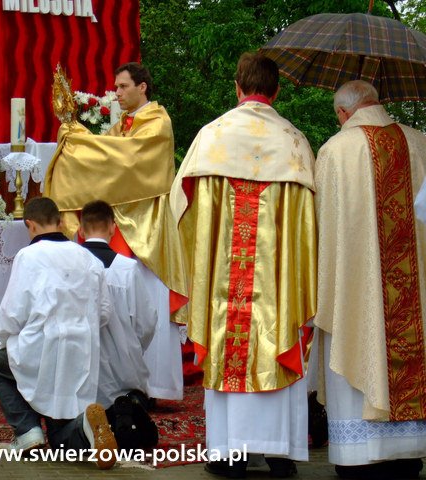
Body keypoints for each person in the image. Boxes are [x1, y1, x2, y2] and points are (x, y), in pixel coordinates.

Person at [169, 52, 317, 478]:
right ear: (276, 90)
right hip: (276, 286)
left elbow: (181, 211)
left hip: (221, 282)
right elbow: (309, 229)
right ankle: (279, 453)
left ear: (237, 87)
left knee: (226, 341)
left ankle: (229, 453)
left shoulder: (211, 137)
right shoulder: (294, 143)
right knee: (276, 336)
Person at [45, 62, 188, 402]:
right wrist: (78, 138)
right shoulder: (123, 124)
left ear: (143, 87)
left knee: (146, 305)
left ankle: (157, 386)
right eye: (116, 87)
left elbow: (122, 163)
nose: (117, 93)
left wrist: (78, 139)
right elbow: (103, 161)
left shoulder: (157, 123)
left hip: (147, 228)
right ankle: (123, 382)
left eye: (123, 87)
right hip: (125, 222)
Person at [313, 80, 426, 480]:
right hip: (414, 299)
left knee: (358, 343)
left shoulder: (335, 151)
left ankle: (359, 458)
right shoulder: (419, 144)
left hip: (355, 294)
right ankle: (407, 454)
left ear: (344, 113)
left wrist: (321, 289)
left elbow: (322, 232)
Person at [0, 197, 118, 469]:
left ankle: (28, 432)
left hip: (41, 346)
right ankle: (84, 428)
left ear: (29, 225)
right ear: (60, 222)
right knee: (61, 441)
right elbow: (104, 312)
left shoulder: (28, 256)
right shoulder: (87, 257)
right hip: (82, 349)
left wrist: (5, 337)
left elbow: (13, 311)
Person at [79, 200, 159, 449]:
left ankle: (91, 427)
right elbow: (146, 322)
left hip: (81, 364)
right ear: (114, 228)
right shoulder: (127, 268)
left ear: (81, 230)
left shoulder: (73, 266)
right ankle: (124, 413)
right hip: (123, 365)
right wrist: (131, 346)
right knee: (129, 391)